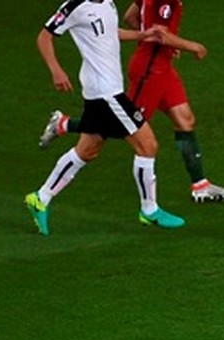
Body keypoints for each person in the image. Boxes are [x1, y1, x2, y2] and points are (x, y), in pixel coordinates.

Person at [38, 0, 224, 204]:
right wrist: (192, 46)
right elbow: (161, 33)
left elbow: (130, 18)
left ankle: (200, 185)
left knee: (185, 120)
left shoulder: (108, 3)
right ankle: (65, 125)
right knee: (127, 132)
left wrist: (156, 40)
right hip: (149, 73)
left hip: (163, 68)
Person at [26, 0, 184, 235]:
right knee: (148, 145)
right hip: (105, 93)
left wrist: (143, 35)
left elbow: (110, 32)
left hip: (105, 90)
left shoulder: (108, 3)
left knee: (88, 150)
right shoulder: (75, 6)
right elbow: (44, 37)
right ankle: (149, 210)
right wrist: (56, 70)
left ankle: (41, 198)